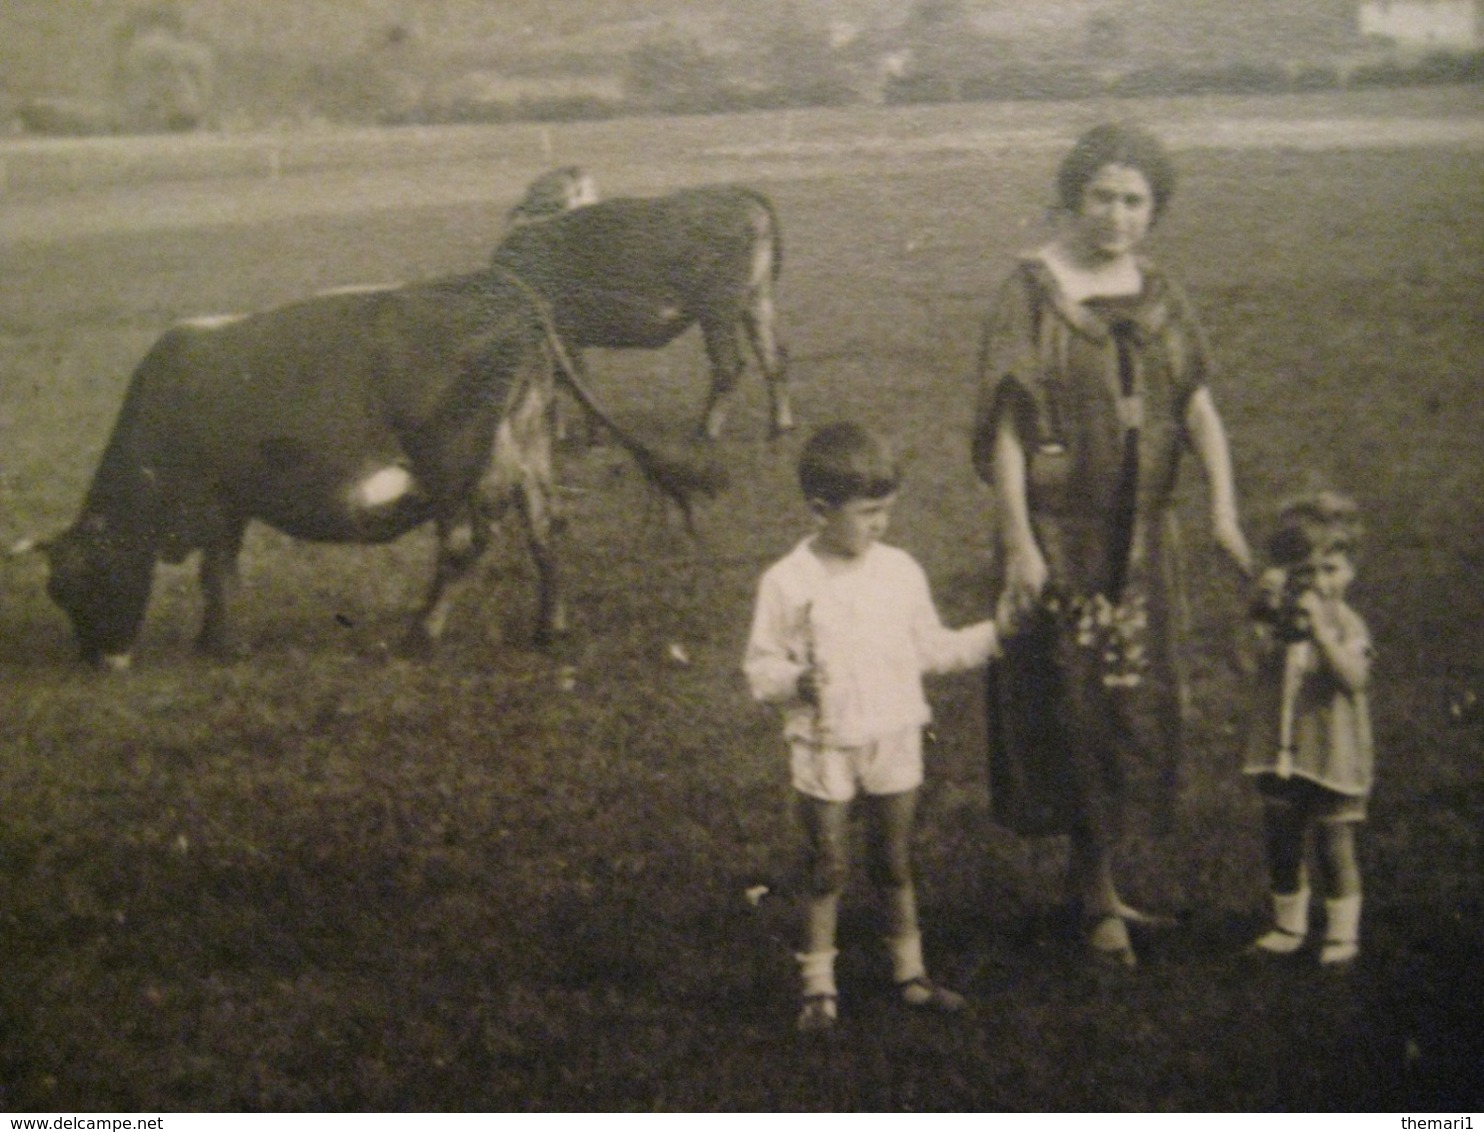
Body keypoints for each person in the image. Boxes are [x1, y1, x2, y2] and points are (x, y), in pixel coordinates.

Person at [970, 122, 1254, 967]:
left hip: (1138, 544)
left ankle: (1099, 885)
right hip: (1061, 538)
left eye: (1135, 200)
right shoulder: (1031, 288)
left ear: (1154, 208)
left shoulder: (1158, 290)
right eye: (1103, 196)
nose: (1118, 216)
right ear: (1072, 194)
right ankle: (1094, 902)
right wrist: (1020, 544)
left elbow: (1197, 406)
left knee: (1127, 703)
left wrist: (1223, 514)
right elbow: (1007, 433)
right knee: (1070, 702)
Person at [745, 422, 1010, 1032]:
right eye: (867, 513)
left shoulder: (900, 571)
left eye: (887, 510)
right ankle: (818, 987)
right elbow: (760, 665)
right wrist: (793, 683)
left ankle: (909, 974)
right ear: (819, 511)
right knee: (826, 865)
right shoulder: (787, 582)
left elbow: (933, 649)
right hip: (826, 743)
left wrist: (998, 635)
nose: (880, 525)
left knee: (894, 860)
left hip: (894, 734)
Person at [1242, 492, 1373, 966]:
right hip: (1282, 750)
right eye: (1305, 573)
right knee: (1281, 836)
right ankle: (1288, 923)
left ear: (1350, 571)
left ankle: (1341, 934)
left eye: (1330, 570)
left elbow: (1354, 679)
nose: (1318, 583)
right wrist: (1262, 611)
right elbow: (1250, 660)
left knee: (1334, 843)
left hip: (1331, 751)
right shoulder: (1279, 622)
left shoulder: (1346, 623)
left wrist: (1321, 633)